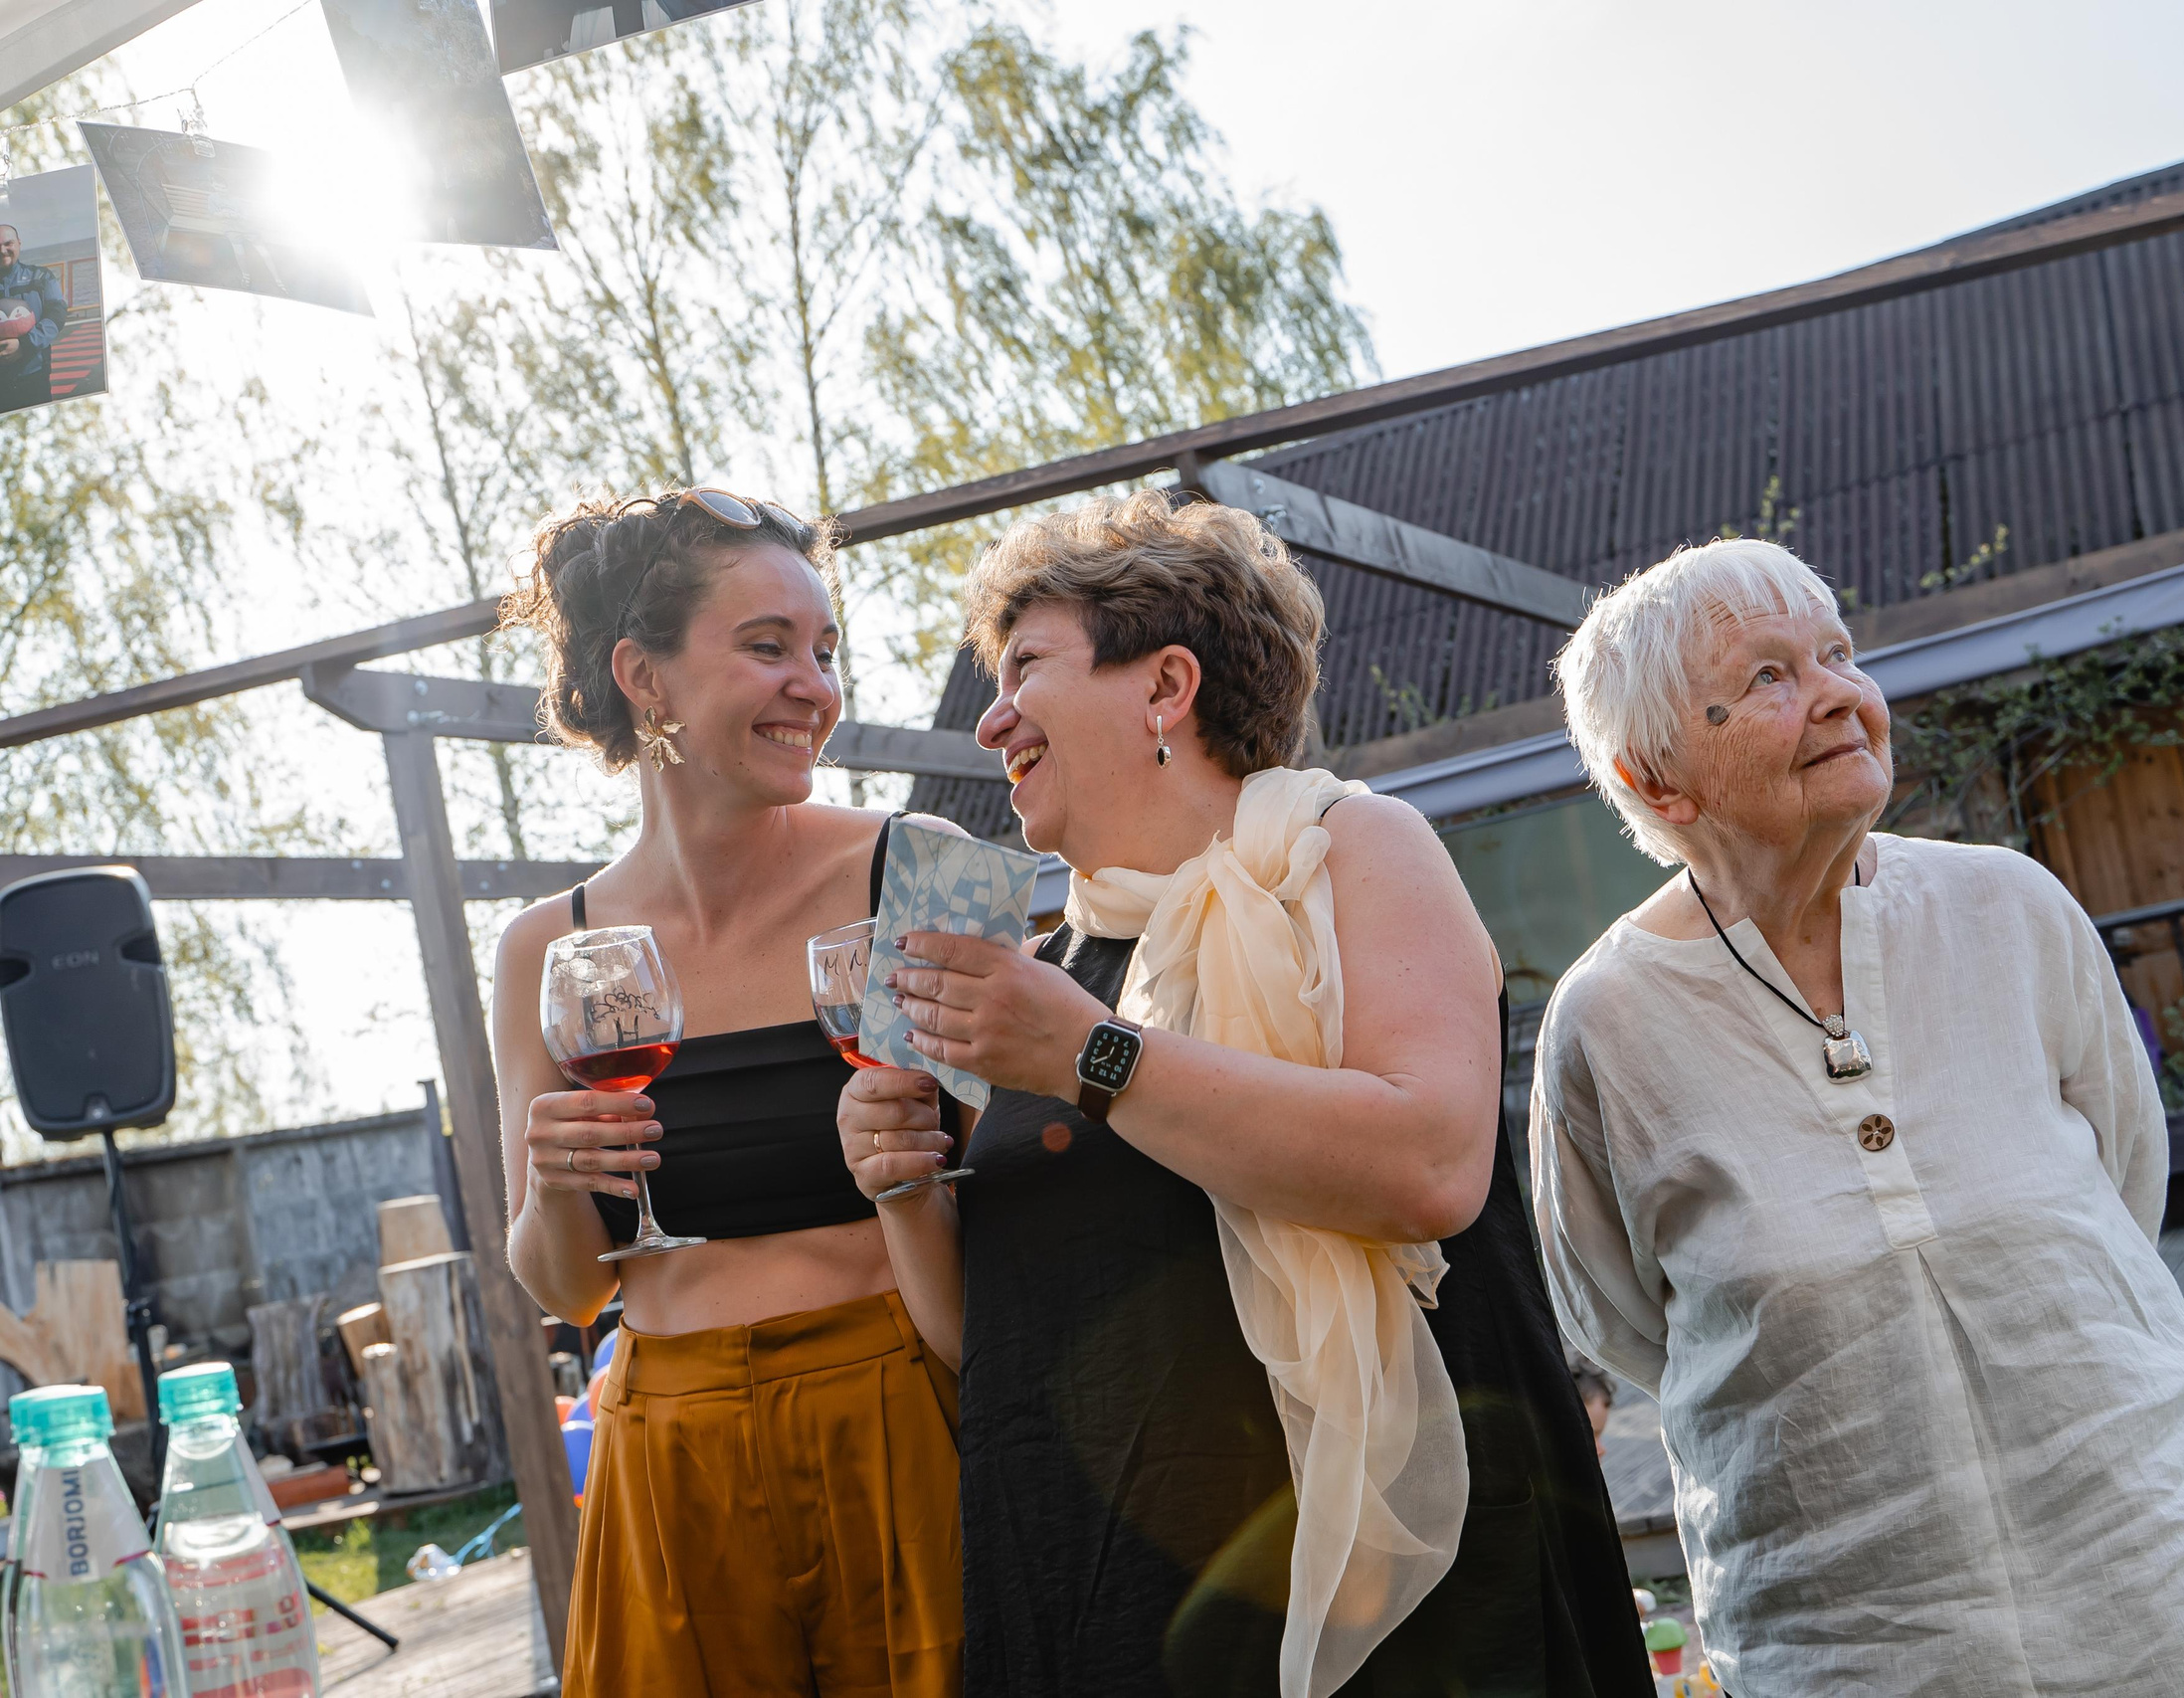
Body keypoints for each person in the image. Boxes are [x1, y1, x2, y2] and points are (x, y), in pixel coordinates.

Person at [841, 489, 1648, 1698]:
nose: (991, 721)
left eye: (1023, 671)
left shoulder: (1351, 852)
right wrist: (904, 1194)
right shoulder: (1050, 977)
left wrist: (1089, 1059)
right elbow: (1007, 1340)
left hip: (1404, 1613)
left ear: (1165, 686)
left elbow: (1427, 1165)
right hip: (1122, 1601)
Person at [1529, 537, 2184, 1697]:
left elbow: (2126, 1182)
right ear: (1656, 781)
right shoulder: (1605, 1024)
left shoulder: (2008, 907)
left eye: (1839, 655)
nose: (1838, 692)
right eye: (1772, 676)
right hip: (1851, 1640)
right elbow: (1625, 1319)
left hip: (2157, 1570)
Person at [489, 489, 961, 1697]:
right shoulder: (554, 945)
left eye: (824, 649)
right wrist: (555, 1187)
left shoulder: (919, 872)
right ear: (643, 676)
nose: (816, 685)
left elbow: (1012, 1192)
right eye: (767, 647)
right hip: (669, 1456)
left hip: (900, 1423)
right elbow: (569, 1287)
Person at [0, 224, 67, 414]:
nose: (2, 250)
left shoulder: (40, 277)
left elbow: (57, 314)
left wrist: (24, 345)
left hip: (34, 377)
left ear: (19, 244)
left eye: (8, 243)